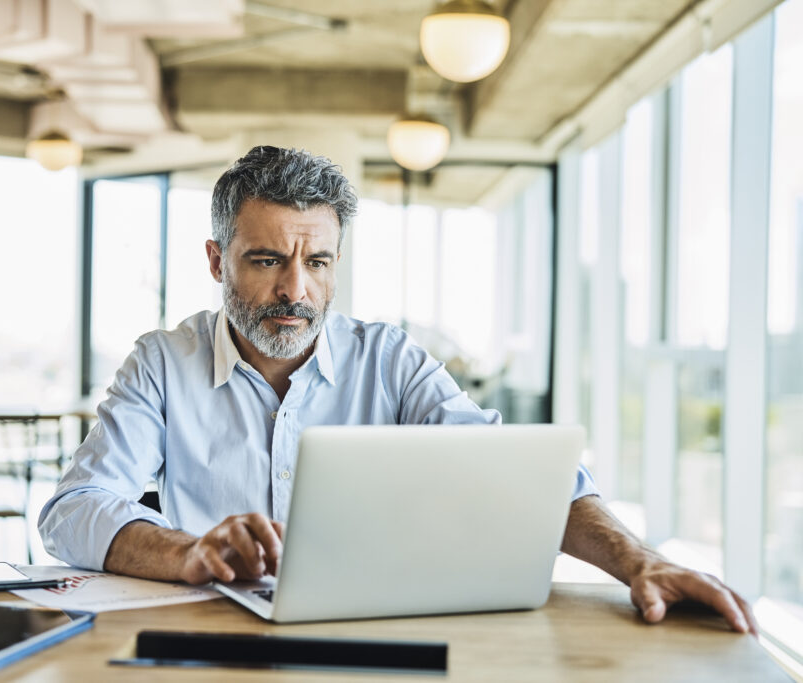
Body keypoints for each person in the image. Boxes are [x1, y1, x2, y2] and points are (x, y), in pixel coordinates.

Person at [39, 145, 756, 634]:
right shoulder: (164, 361)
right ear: (215, 258)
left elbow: (519, 477)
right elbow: (72, 511)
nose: (296, 288)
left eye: (317, 260)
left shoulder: (390, 359)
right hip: (210, 641)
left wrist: (641, 559)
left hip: (377, 636)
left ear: (337, 258)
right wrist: (188, 551)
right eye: (265, 260)